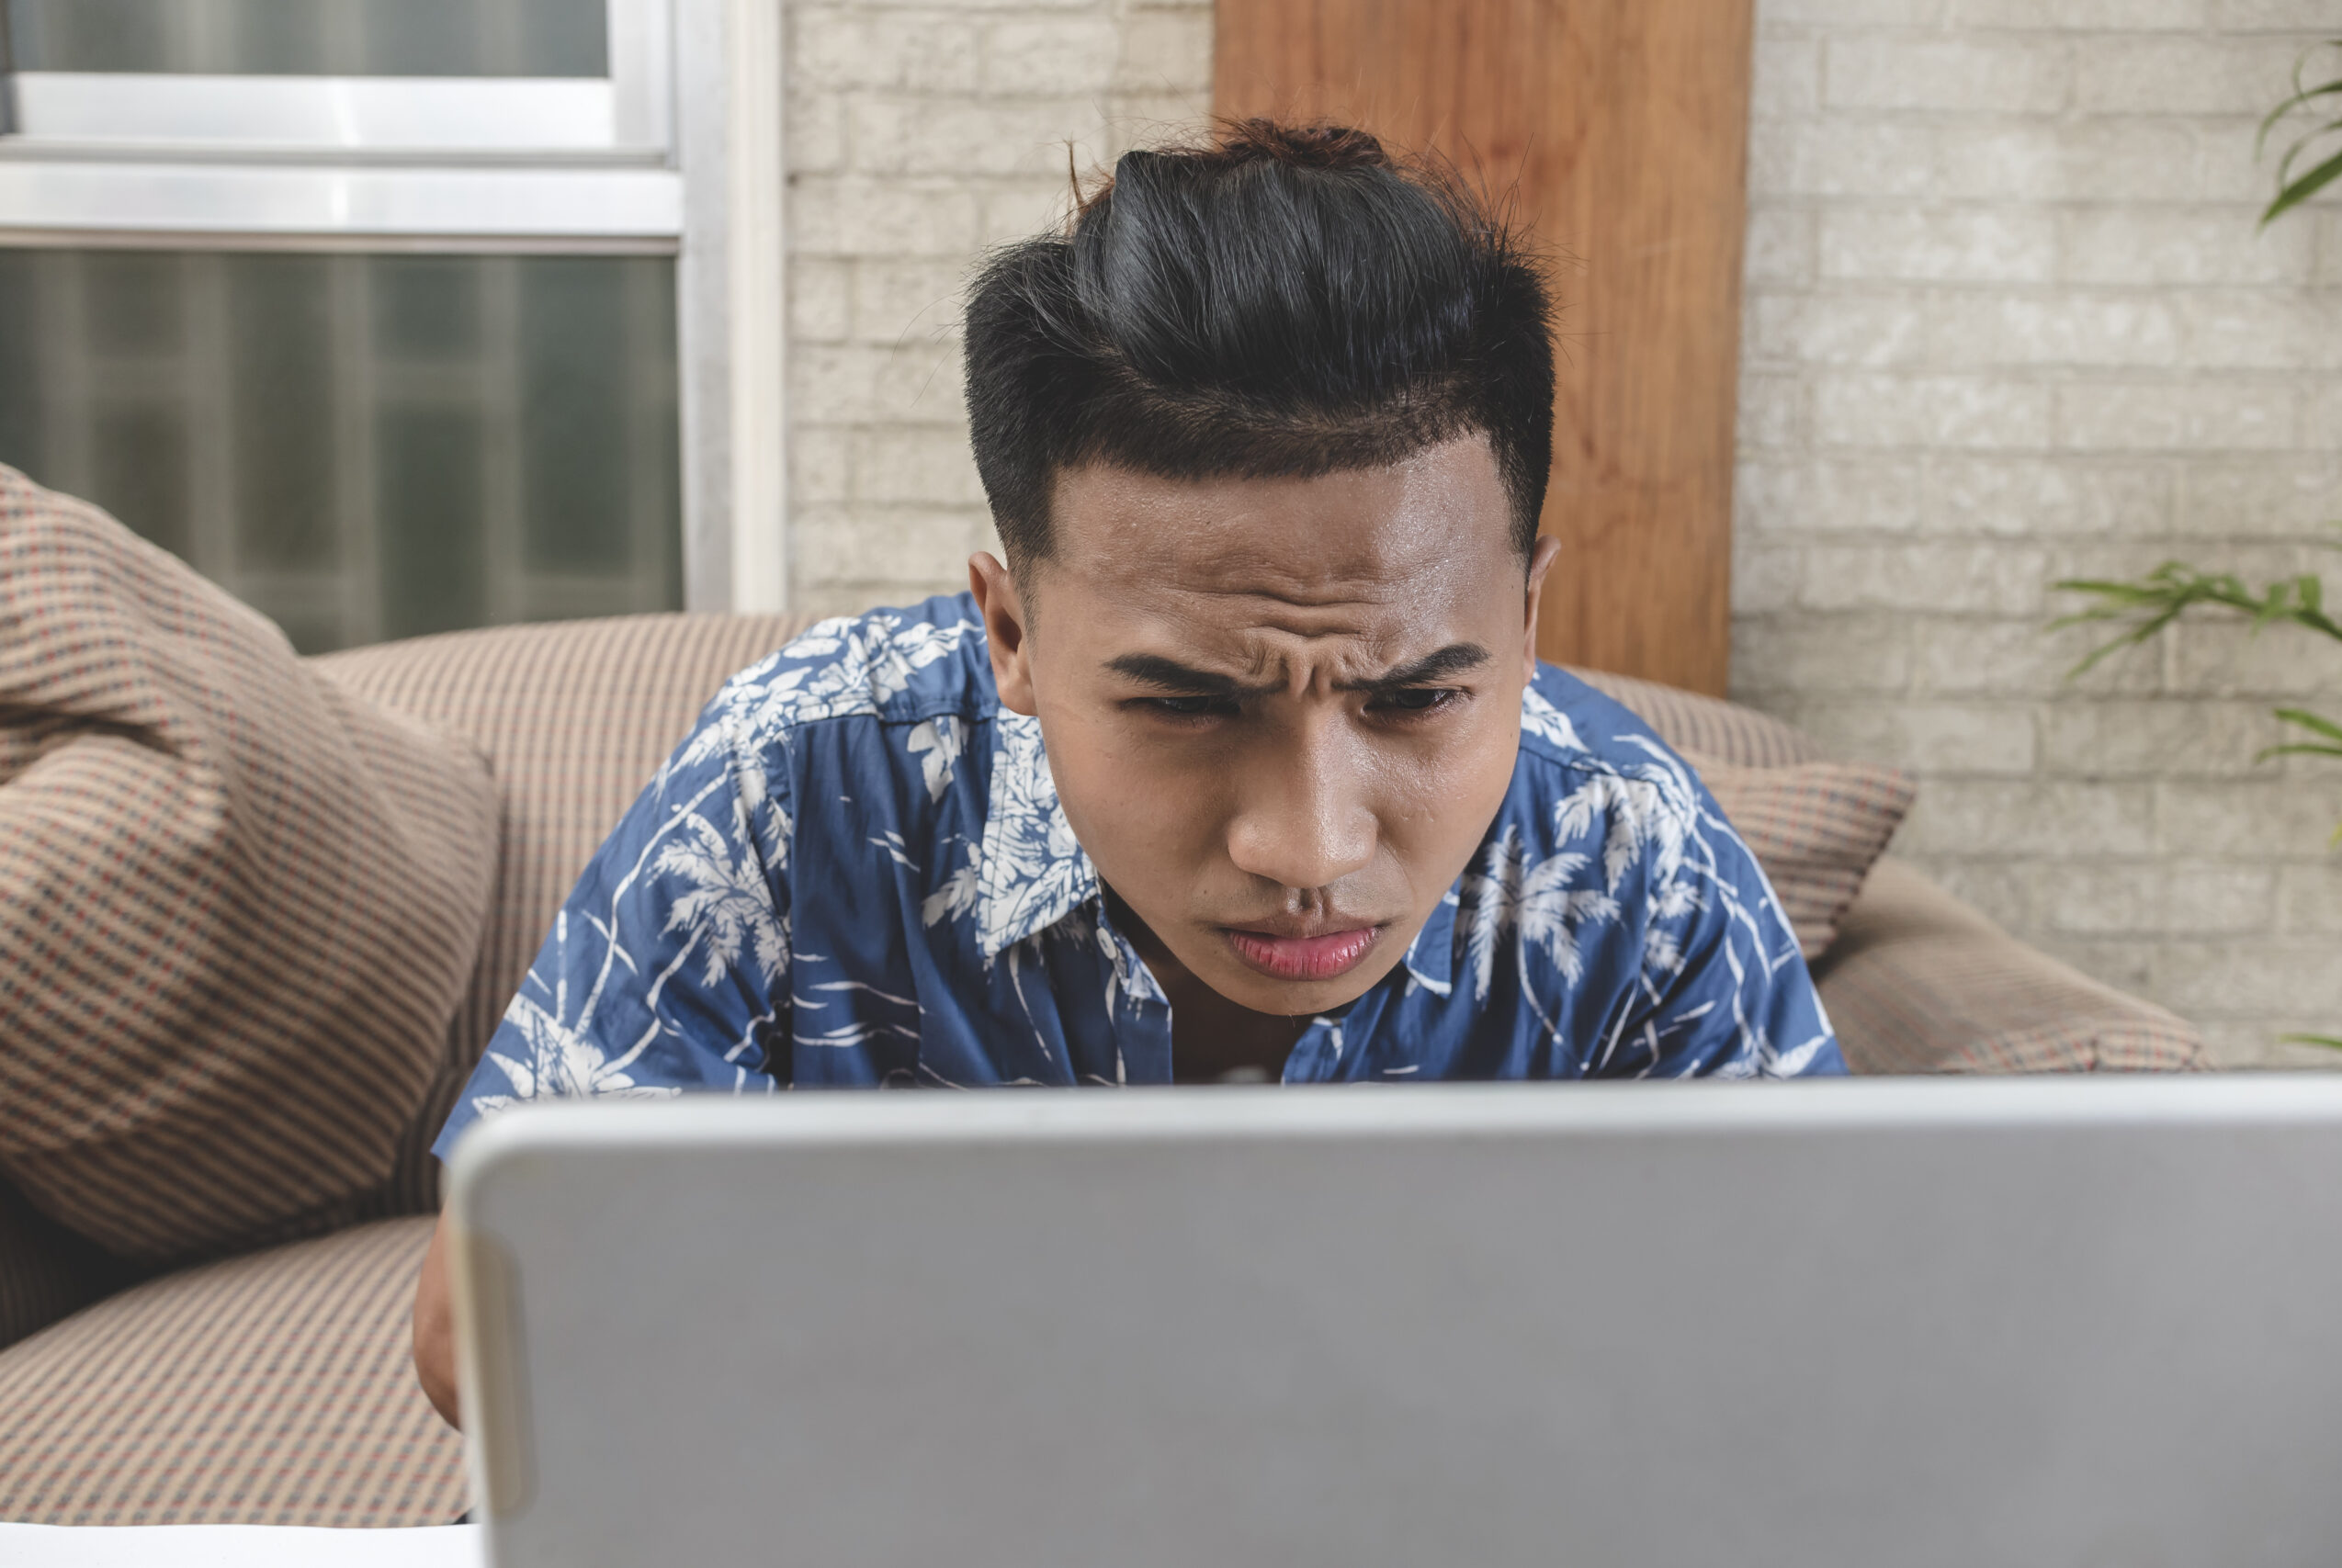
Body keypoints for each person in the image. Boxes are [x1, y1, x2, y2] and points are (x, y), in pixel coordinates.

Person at [411, 120, 1844, 1425]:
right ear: (1012, 632)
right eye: (1187, 708)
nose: (1309, 845)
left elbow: (1821, 1360)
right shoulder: (799, 785)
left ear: (1527, 625)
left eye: (1414, 700)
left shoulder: (1630, 849)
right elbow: (485, 1341)